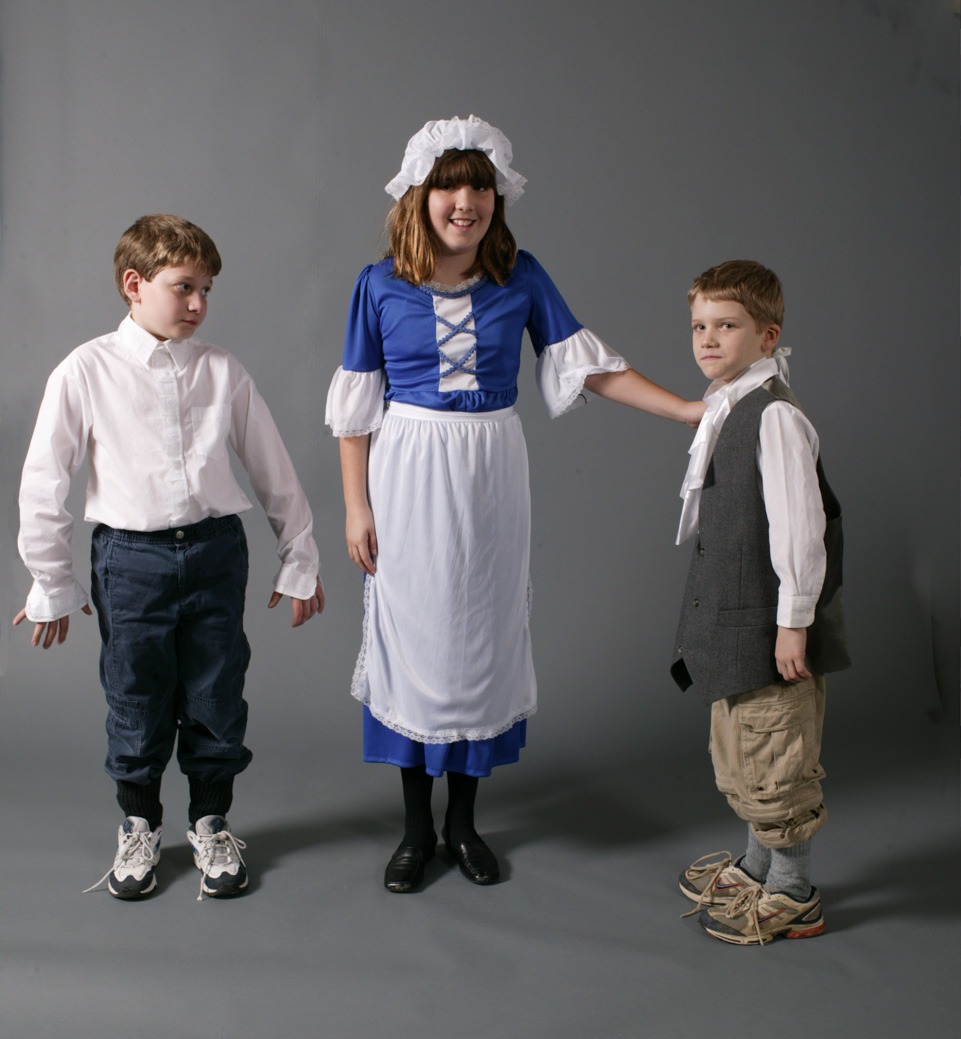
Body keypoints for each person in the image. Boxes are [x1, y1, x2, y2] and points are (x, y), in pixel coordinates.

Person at [325, 115, 704, 893]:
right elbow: (355, 408)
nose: (465, 201)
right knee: (414, 639)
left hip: (491, 466)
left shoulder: (521, 277)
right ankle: (413, 829)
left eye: (479, 187)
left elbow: (587, 368)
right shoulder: (378, 283)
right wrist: (354, 507)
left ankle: (462, 825)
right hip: (408, 469)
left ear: (496, 197)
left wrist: (689, 411)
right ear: (419, 195)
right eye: (449, 186)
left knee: (478, 637)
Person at [15, 214, 324, 901]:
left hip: (215, 553)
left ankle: (211, 821)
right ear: (134, 283)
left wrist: (298, 557)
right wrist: (51, 581)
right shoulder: (86, 369)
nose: (198, 304)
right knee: (136, 694)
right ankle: (139, 823)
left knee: (217, 691)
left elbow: (273, 468)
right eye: (183, 286)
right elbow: (44, 479)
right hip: (130, 561)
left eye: (206, 290)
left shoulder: (222, 370)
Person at [670, 260, 850, 944]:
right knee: (743, 750)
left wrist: (793, 623)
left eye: (727, 325)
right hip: (733, 626)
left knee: (776, 757)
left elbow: (801, 527)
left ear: (767, 335)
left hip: (772, 628)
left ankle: (793, 887)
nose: (707, 338)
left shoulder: (772, 415)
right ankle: (756, 864)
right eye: (698, 326)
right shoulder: (729, 404)